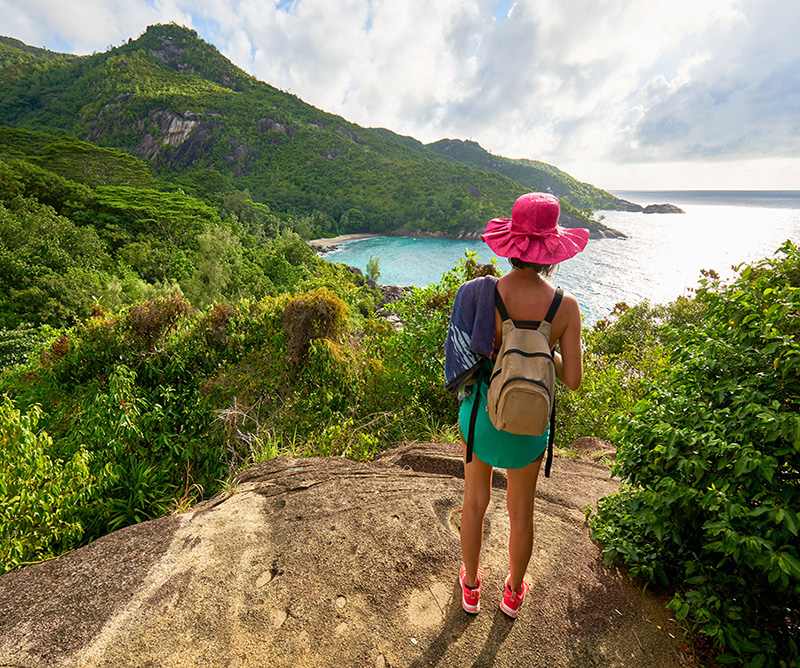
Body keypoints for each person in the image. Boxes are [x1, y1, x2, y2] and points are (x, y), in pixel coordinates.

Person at [444, 192, 588, 618]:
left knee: (474, 502)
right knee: (521, 512)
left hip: (482, 421)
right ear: (552, 250)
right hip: (530, 424)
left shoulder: (484, 295)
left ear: (512, 245)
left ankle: (471, 587)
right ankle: (512, 594)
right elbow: (573, 380)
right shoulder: (567, 307)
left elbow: (469, 357)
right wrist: (543, 343)